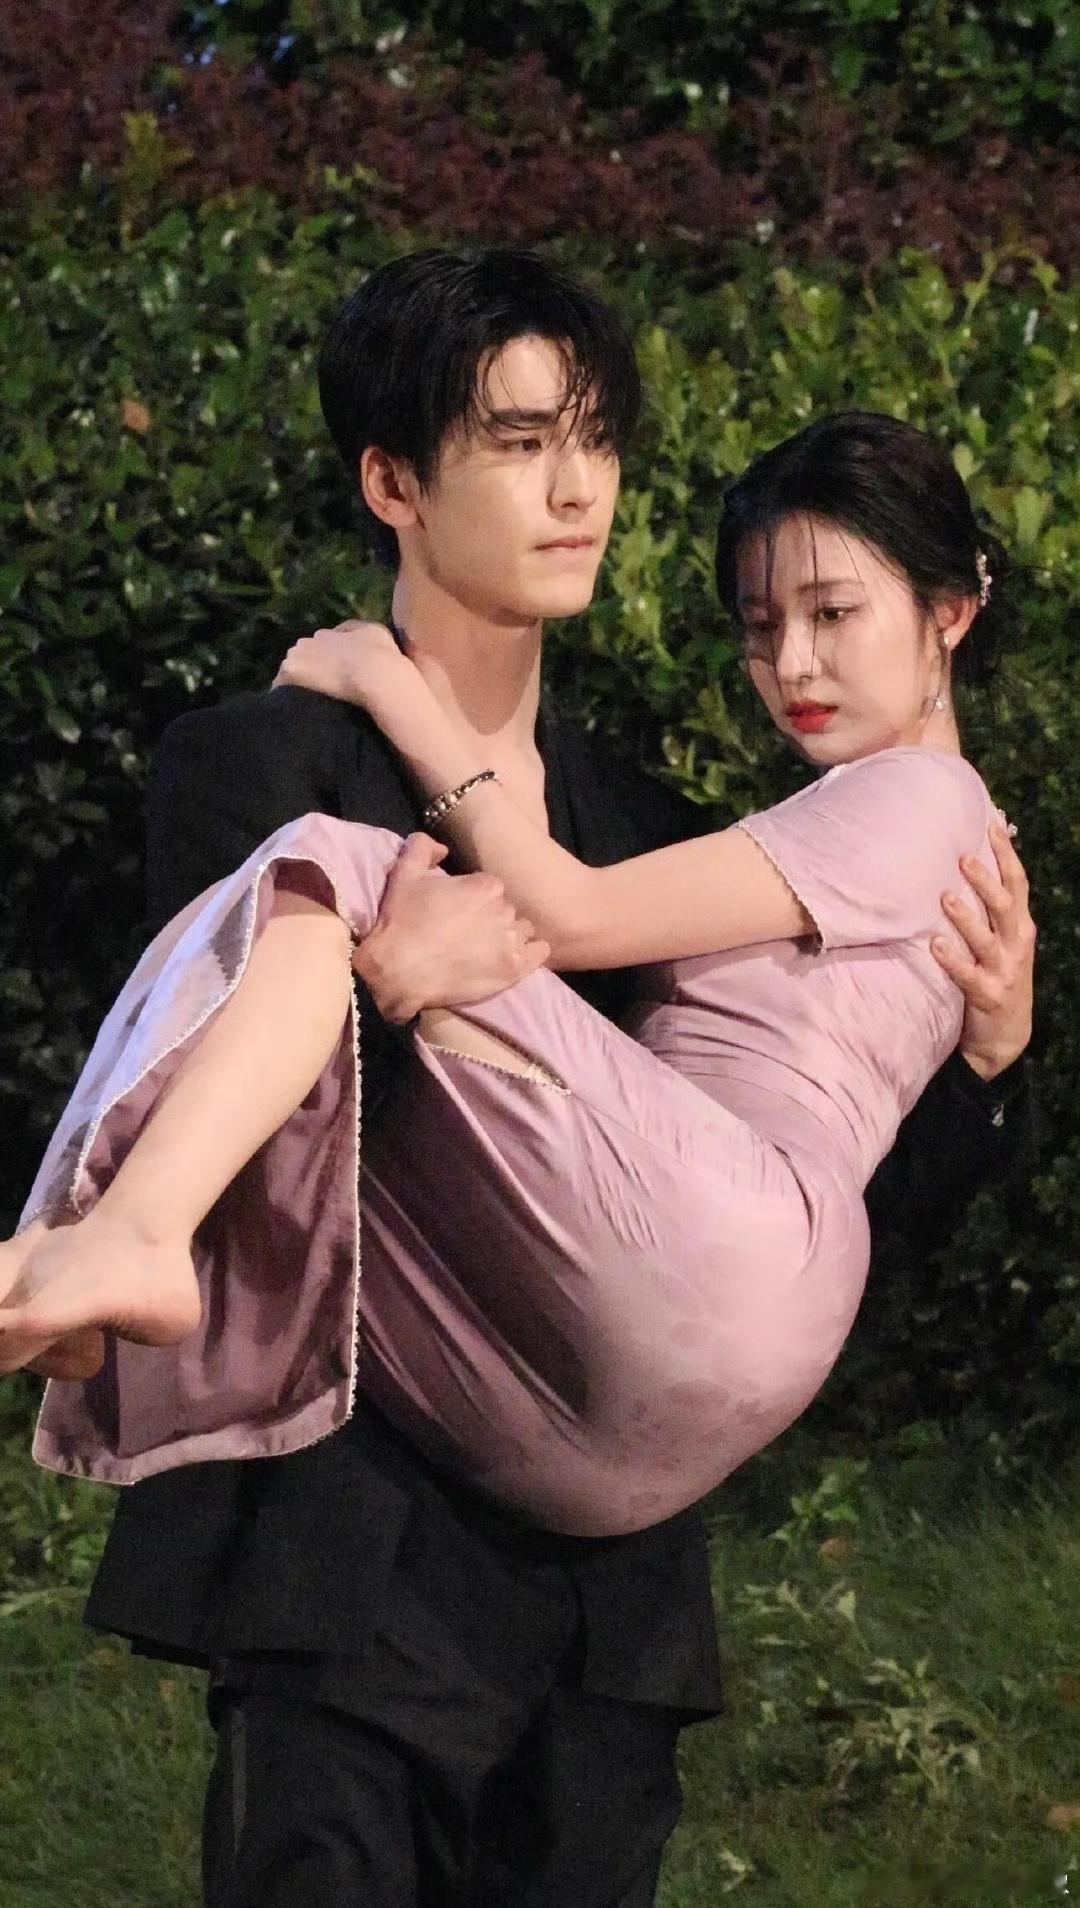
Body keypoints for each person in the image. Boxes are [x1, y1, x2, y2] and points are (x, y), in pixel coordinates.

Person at [2, 257, 1035, 1905]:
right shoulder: (264, 760)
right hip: (357, 1585)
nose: (576, 491)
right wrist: (401, 972)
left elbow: (802, 1184)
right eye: (521, 441)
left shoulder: (642, 822)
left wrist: (985, 1061)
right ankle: (101, 1245)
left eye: (599, 442)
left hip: (599, 1614)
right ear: (393, 482)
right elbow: (258, 1121)